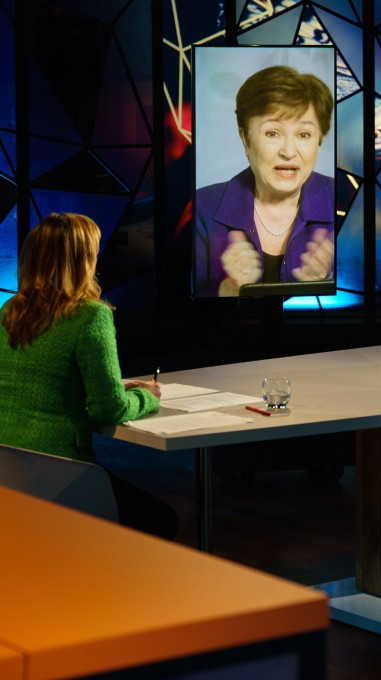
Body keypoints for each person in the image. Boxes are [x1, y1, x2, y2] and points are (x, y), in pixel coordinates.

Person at [0, 213, 177, 539]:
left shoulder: (9, 311)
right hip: (61, 475)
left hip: (10, 472)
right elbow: (108, 410)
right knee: (161, 520)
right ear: (83, 260)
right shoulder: (91, 315)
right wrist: (145, 396)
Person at [195, 65, 336, 297]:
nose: (289, 151)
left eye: (304, 134)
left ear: (319, 139)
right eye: (273, 133)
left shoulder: (345, 200)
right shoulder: (202, 207)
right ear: (245, 139)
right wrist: (229, 290)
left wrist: (323, 288)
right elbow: (180, 320)